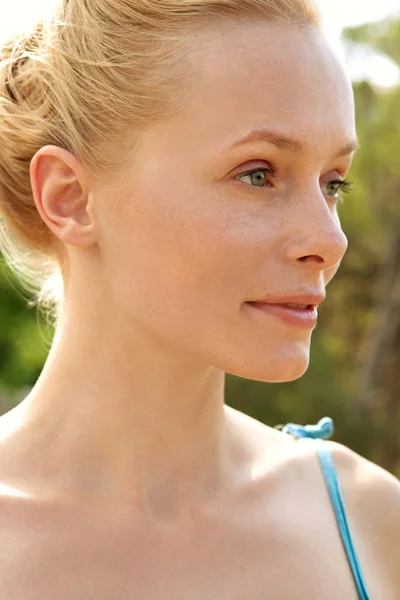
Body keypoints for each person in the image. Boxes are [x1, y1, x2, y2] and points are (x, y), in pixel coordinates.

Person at [0, 0, 399, 597]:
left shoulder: (373, 527)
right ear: (71, 198)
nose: (329, 240)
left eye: (332, 183)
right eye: (259, 173)